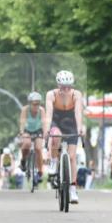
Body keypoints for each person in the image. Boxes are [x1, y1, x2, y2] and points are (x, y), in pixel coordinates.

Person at [42, 70, 85, 204]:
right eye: (63, 87)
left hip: (71, 122)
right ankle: (54, 160)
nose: (66, 89)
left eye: (68, 86)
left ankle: (72, 189)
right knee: (56, 135)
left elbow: (78, 112)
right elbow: (49, 114)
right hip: (56, 121)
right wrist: (47, 129)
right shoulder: (51, 94)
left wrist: (80, 127)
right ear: (58, 85)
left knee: (72, 157)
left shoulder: (76, 95)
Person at [18, 91, 46, 186]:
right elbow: (22, 122)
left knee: (38, 148)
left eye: (38, 104)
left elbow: (44, 123)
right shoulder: (25, 110)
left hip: (38, 131)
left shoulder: (41, 110)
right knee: (27, 144)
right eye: (34, 104)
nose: (36, 106)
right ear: (30, 104)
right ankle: (24, 160)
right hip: (27, 130)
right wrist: (22, 132)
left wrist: (46, 133)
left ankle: (40, 172)